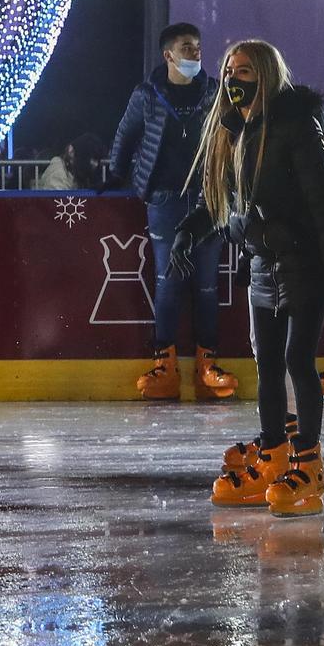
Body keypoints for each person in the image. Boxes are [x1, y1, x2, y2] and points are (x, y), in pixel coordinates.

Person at [186, 40, 324, 516]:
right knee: (267, 365)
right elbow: (223, 196)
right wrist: (194, 227)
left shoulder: (295, 126)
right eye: (228, 71)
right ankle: (273, 454)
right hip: (263, 263)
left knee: (298, 360)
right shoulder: (234, 129)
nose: (232, 80)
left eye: (243, 71)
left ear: (265, 74)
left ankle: (307, 463)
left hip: (304, 263)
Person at [107, 23, 231, 401]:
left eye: (197, 46)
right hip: (163, 198)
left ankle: (207, 363)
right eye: (186, 47)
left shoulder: (213, 92)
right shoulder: (147, 95)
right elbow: (125, 138)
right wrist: (118, 177)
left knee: (207, 283)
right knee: (167, 280)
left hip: (207, 198)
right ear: (168, 55)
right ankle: (166, 364)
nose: (195, 53)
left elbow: (232, 136)